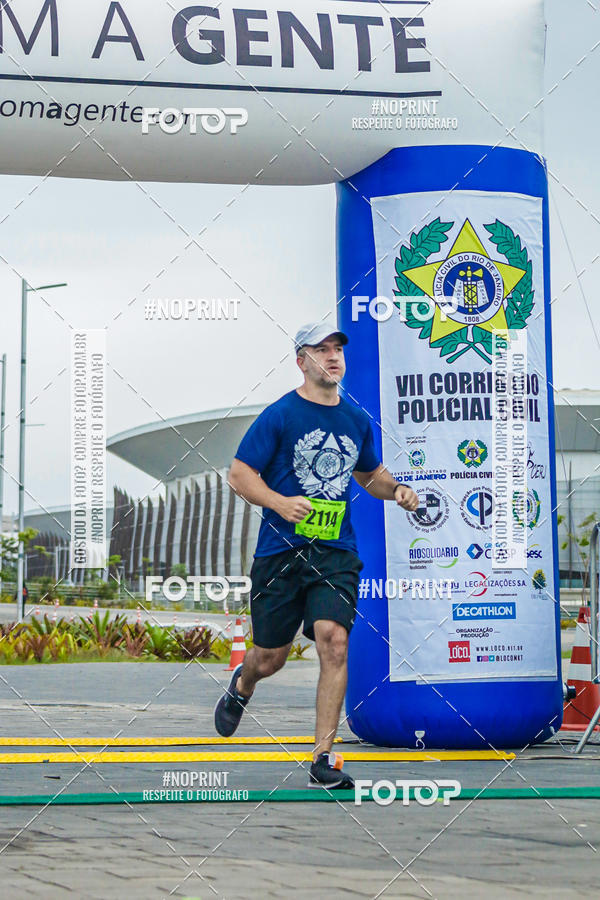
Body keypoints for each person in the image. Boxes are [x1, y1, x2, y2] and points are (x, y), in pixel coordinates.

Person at [214, 322, 418, 788]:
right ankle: (242, 687)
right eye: (321, 349)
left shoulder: (354, 419)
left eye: (337, 350)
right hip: (280, 553)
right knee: (270, 658)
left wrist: (399, 490)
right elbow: (239, 475)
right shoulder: (280, 415)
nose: (333, 357)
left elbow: (370, 476)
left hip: (334, 551)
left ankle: (322, 759)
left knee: (334, 639)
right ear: (301, 360)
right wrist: (281, 503)